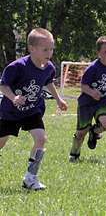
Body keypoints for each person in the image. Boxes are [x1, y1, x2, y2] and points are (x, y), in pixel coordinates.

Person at [0, 28, 68, 190]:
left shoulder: (49, 67)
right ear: (32, 48)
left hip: (32, 110)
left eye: (51, 49)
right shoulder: (17, 67)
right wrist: (14, 98)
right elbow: (3, 85)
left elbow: (48, 82)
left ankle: (30, 177)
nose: (49, 53)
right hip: (11, 112)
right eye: (45, 49)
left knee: (41, 138)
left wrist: (58, 99)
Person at [68, 36, 106, 162]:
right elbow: (83, 86)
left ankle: (94, 132)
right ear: (98, 53)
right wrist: (92, 92)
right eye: (105, 52)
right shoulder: (93, 68)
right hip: (86, 103)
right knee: (81, 132)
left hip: (103, 102)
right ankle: (74, 154)